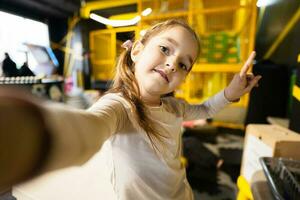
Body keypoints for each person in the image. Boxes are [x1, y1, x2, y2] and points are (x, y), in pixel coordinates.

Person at [0, 19, 261, 199]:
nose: (172, 63)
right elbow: (88, 128)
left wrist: (231, 92)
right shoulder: (119, 106)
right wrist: (31, 132)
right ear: (137, 50)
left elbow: (204, 109)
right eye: (165, 48)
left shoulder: (173, 107)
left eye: (183, 64)